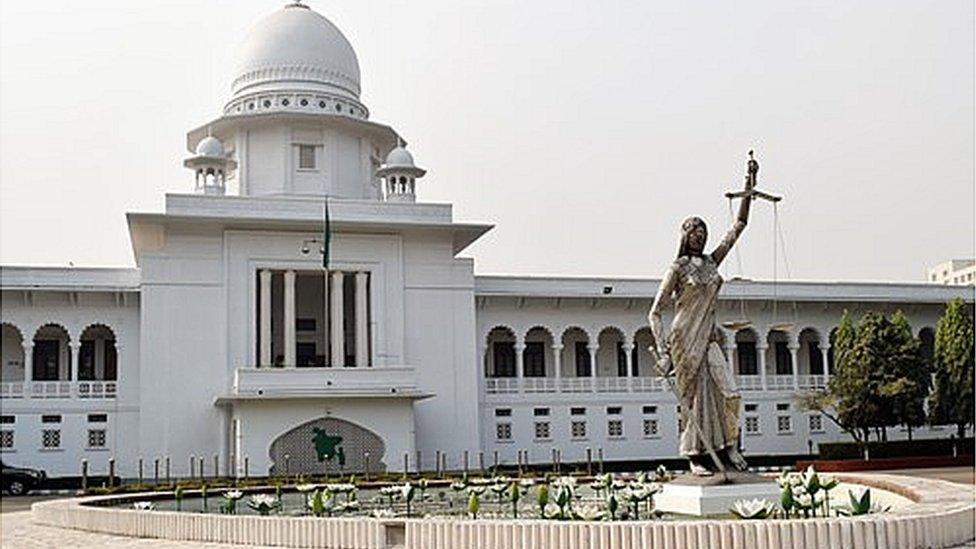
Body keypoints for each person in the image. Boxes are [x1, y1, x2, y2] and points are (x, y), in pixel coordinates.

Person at [647, 154, 757, 475]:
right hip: (683, 339)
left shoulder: (712, 263)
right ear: (685, 236)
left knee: (729, 392)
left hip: (708, 338)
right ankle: (695, 455)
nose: (700, 237)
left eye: (703, 232)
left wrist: (748, 188)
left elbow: (738, 227)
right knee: (693, 401)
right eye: (694, 233)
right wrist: (665, 351)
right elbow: (655, 312)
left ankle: (730, 446)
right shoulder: (678, 268)